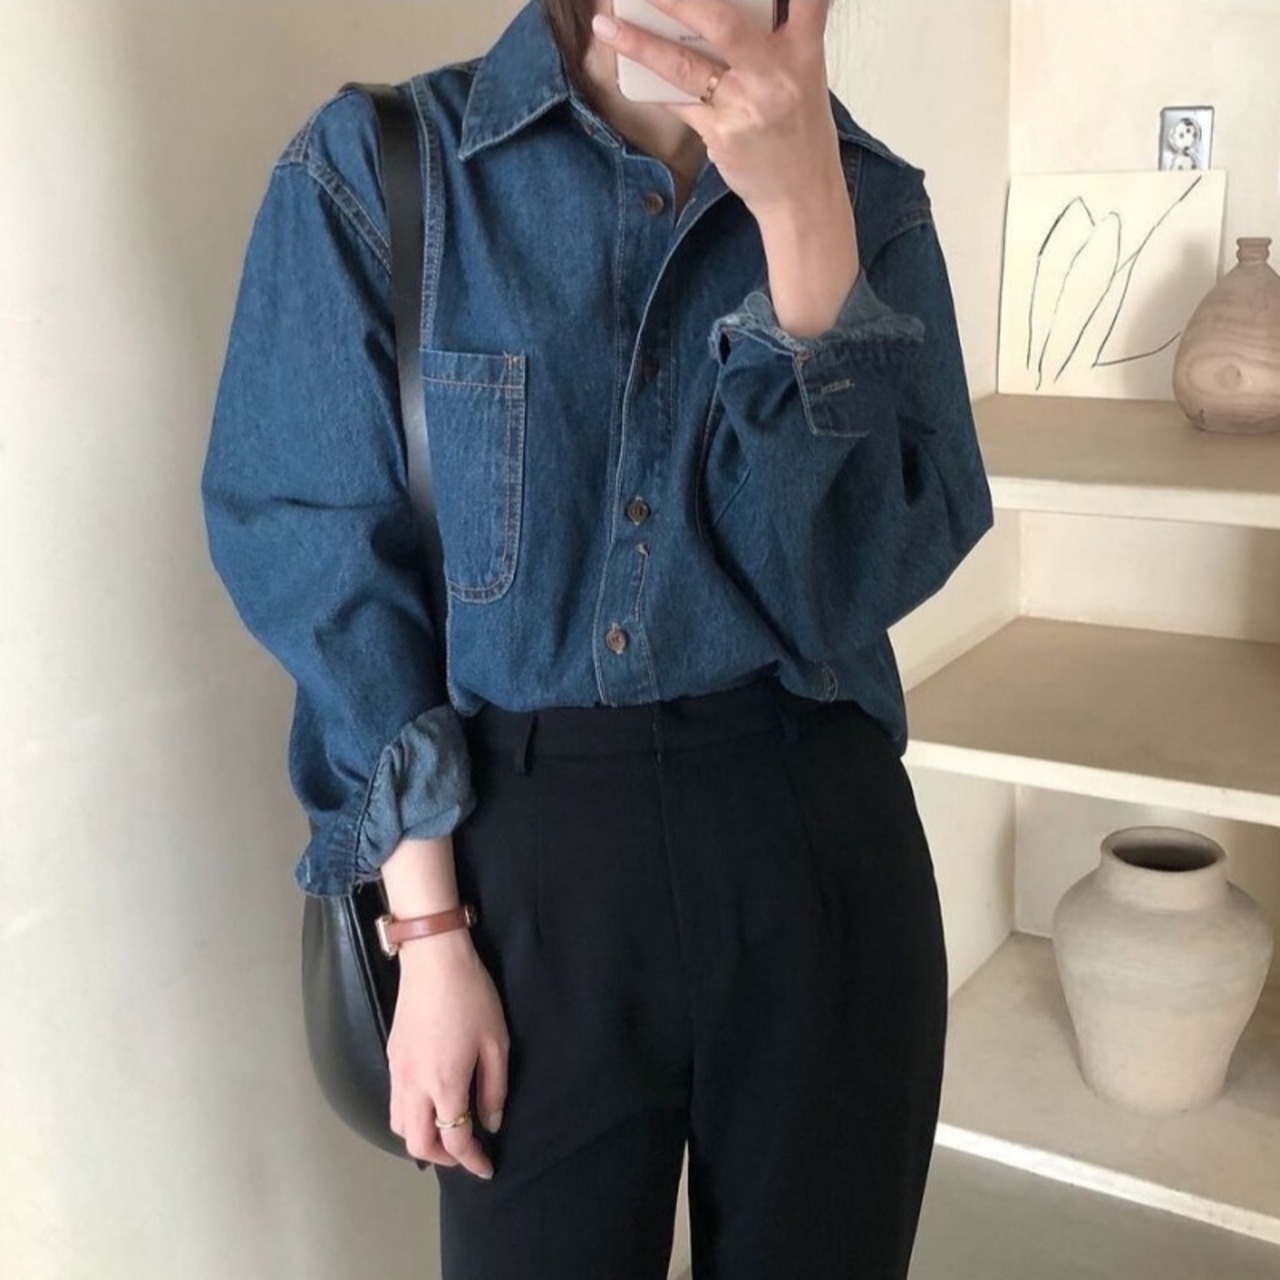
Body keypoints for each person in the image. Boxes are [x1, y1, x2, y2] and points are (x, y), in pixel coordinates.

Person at [201, 0, 994, 1275]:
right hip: (518, 872)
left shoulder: (866, 199)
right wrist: (427, 935)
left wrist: (801, 216)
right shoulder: (385, 169)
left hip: (815, 838)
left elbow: (855, 576)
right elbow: (325, 564)